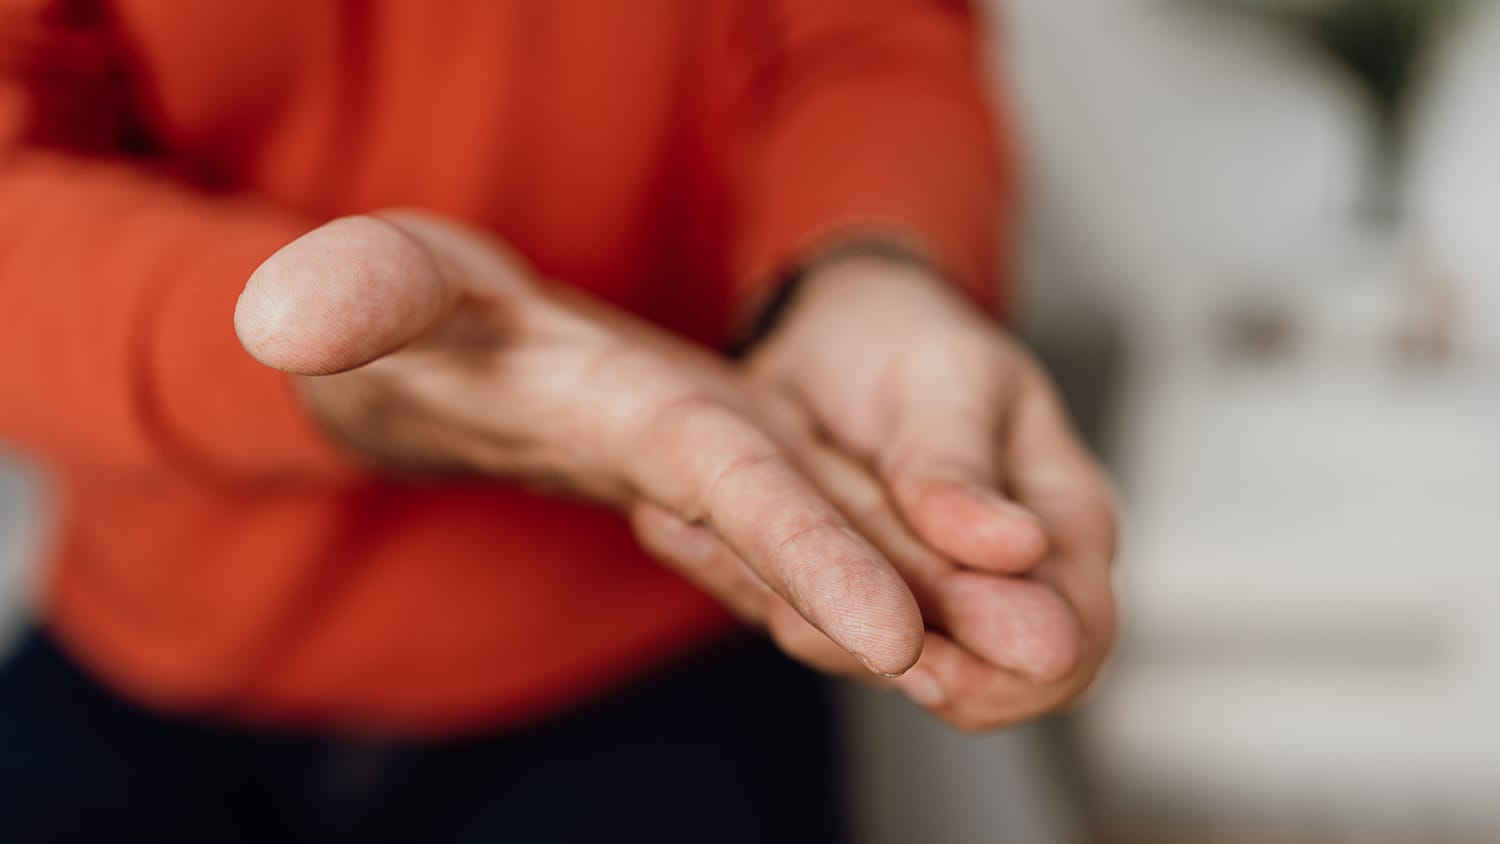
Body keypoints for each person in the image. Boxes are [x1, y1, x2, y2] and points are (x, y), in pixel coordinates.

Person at [0, 0, 1117, 841]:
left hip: (660, 658)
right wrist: (298, 368)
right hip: (145, 662)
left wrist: (866, 263)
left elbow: (864, 43)